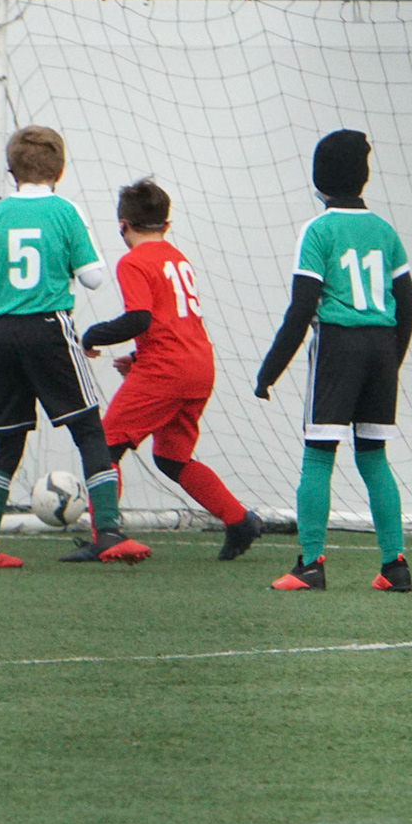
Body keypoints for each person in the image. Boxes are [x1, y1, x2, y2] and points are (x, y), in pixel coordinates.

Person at [0, 125, 149, 568]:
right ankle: (109, 531)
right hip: (49, 328)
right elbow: (93, 277)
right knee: (90, 430)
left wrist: (7, 304)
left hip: (2, 332)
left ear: (11, 171)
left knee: (7, 440)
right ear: (60, 170)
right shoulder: (66, 211)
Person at [254, 129, 412, 592]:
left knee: (319, 454)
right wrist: (393, 360)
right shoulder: (385, 231)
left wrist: (269, 372)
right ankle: (395, 566)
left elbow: (302, 308)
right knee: (374, 457)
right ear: (363, 177)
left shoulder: (318, 230)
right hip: (383, 346)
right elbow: (407, 304)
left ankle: (310, 564)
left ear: (319, 179)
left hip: (338, 347)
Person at [80, 179, 265, 561]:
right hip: (198, 366)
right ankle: (239, 520)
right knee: (171, 456)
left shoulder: (133, 261)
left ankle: (106, 537)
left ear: (122, 225)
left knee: (105, 444)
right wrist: (138, 357)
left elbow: (139, 318)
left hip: (166, 369)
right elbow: (171, 319)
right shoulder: (177, 258)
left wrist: (93, 335)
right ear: (166, 224)